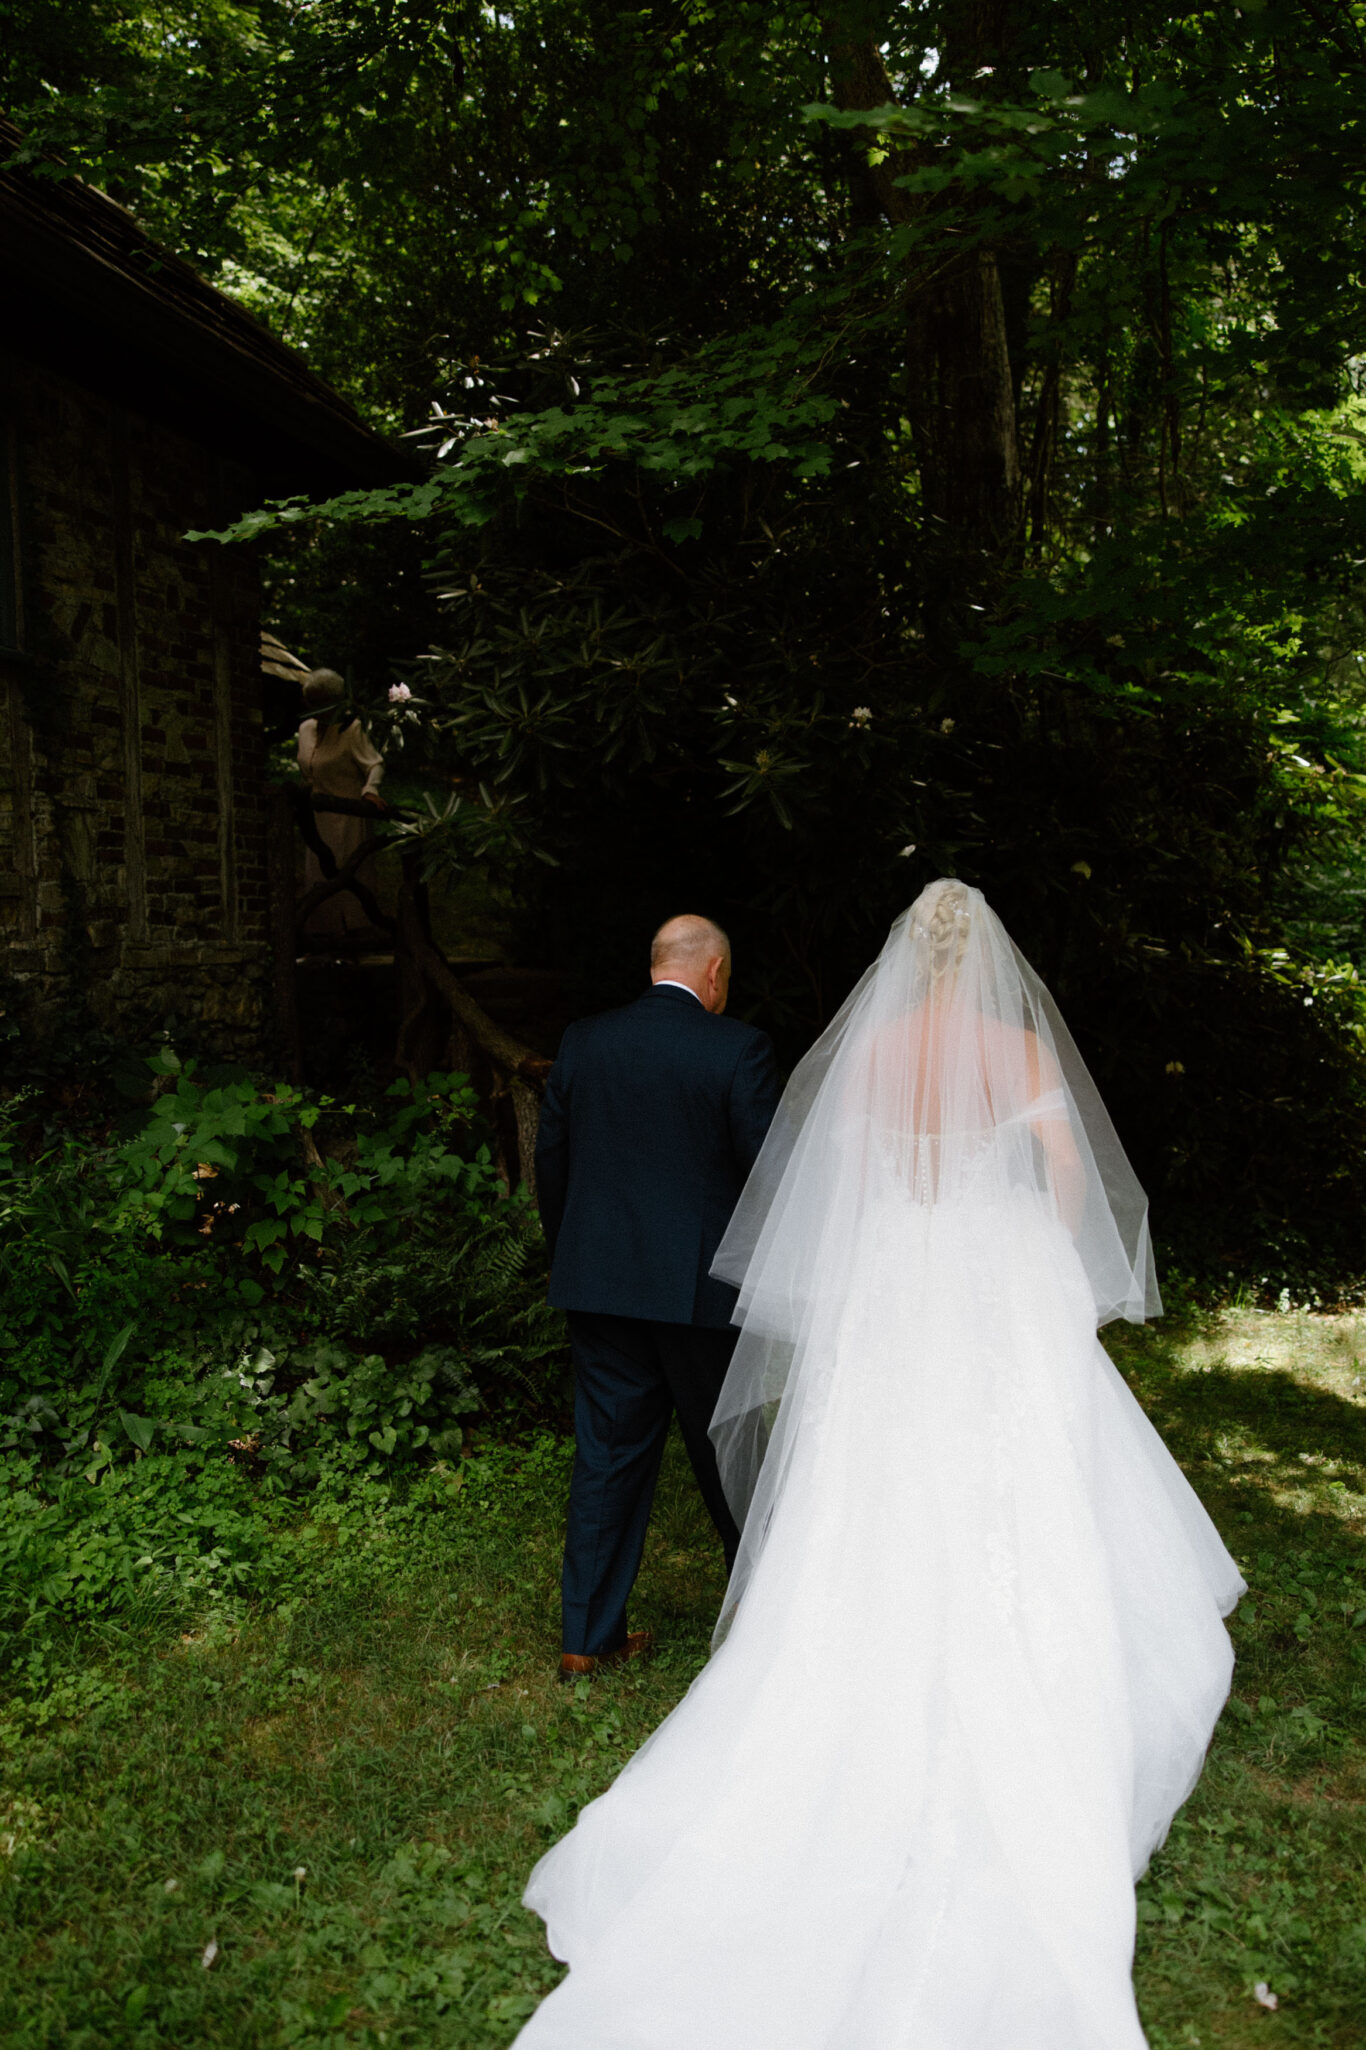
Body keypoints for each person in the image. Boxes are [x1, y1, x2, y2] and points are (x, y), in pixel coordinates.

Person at [514, 880, 1245, 2050]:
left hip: (900, 1272)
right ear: (988, 958)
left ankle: (848, 1634)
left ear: (910, 955)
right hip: (987, 1267)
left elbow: (831, 1187)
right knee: (1014, 1460)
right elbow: (1066, 1170)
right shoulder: (1011, 1046)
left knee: (874, 1466)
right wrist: (1038, 1252)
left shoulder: (870, 1049)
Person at [534, 914, 781, 1681]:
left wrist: (578, 1255)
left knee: (606, 1457)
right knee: (731, 1453)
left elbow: (553, 1163)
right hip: (701, 1295)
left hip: (601, 1284)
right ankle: (777, 1616)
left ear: (657, 966)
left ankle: (587, 1639)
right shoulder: (738, 1048)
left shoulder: (585, 1041)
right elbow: (770, 1176)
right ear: (714, 974)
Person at [296, 669, 386, 938]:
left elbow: (375, 764)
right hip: (318, 817)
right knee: (318, 877)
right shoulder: (305, 729)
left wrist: (370, 790)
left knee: (348, 875)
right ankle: (320, 939)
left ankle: (354, 937)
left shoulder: (352, 729)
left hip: (348, 818)